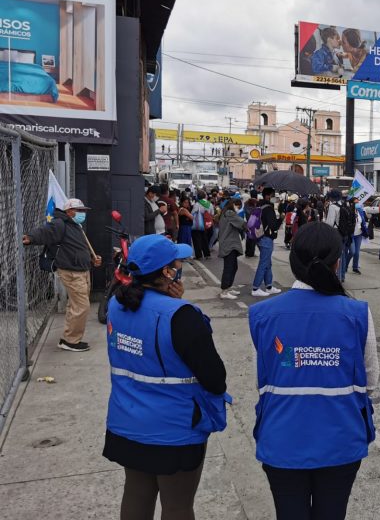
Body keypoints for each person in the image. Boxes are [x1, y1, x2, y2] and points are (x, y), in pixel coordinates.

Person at [248, 222, 378, 520]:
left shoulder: (262, 314)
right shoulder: (357, 312)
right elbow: (369, 380)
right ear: (337, 262)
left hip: (281, 439)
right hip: (340, 438)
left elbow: (266, 375)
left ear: (293, 261)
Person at [104, 235, 229, 520]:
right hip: (174, 430)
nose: (179, 265)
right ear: (166, 272)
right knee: (177, 506)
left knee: (136, 493)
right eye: (176, 262)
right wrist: (175, 306)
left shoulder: (117, 304)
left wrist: (170, 302)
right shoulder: (182, 316)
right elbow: (215, 379)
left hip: (128, 422)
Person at [23, 198, 102, 352]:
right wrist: (30, 237)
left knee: (75, 305)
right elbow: (45, 232)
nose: (83, 213)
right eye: (80, 210)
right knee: (81, 306)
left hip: (81, 270)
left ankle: (68, 338)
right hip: (71, 271)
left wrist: (92, 258)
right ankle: (71, 341)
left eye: (83, 211)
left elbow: (79, 247)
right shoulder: (60, 223)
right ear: (69, 211)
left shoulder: (76, 226)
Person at [251, 187, 283, 297]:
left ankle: (269, 286)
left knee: (267, 263)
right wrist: (281, 218)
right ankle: (256, 288)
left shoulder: (260, 205)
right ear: (268, 196)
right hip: (266, 238)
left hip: (259, 237)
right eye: (273, 195)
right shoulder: (268, 209)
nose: (275, 197)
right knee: (264, 263)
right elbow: (273, 225)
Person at [218, 200, 246, 300]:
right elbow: (241, 223)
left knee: (233, 267)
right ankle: (224, 291)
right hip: (229, 244)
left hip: (230, 244)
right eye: (238, 206)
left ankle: (228, 287)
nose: (238, 208)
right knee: (229, 268)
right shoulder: (229, 213)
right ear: (233, 205)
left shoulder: (226, 213)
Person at [347, 196, 368, 275]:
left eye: (358, 202)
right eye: (356, 202)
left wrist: (365, 231)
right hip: (351, 234)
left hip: (358, 234)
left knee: (357, 253)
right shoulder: (348, 211)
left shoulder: (359, 211)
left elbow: (363, 222)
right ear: (351, 203)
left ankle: (355, 268)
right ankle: (345, 266)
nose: (357, 204)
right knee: (352, 252)